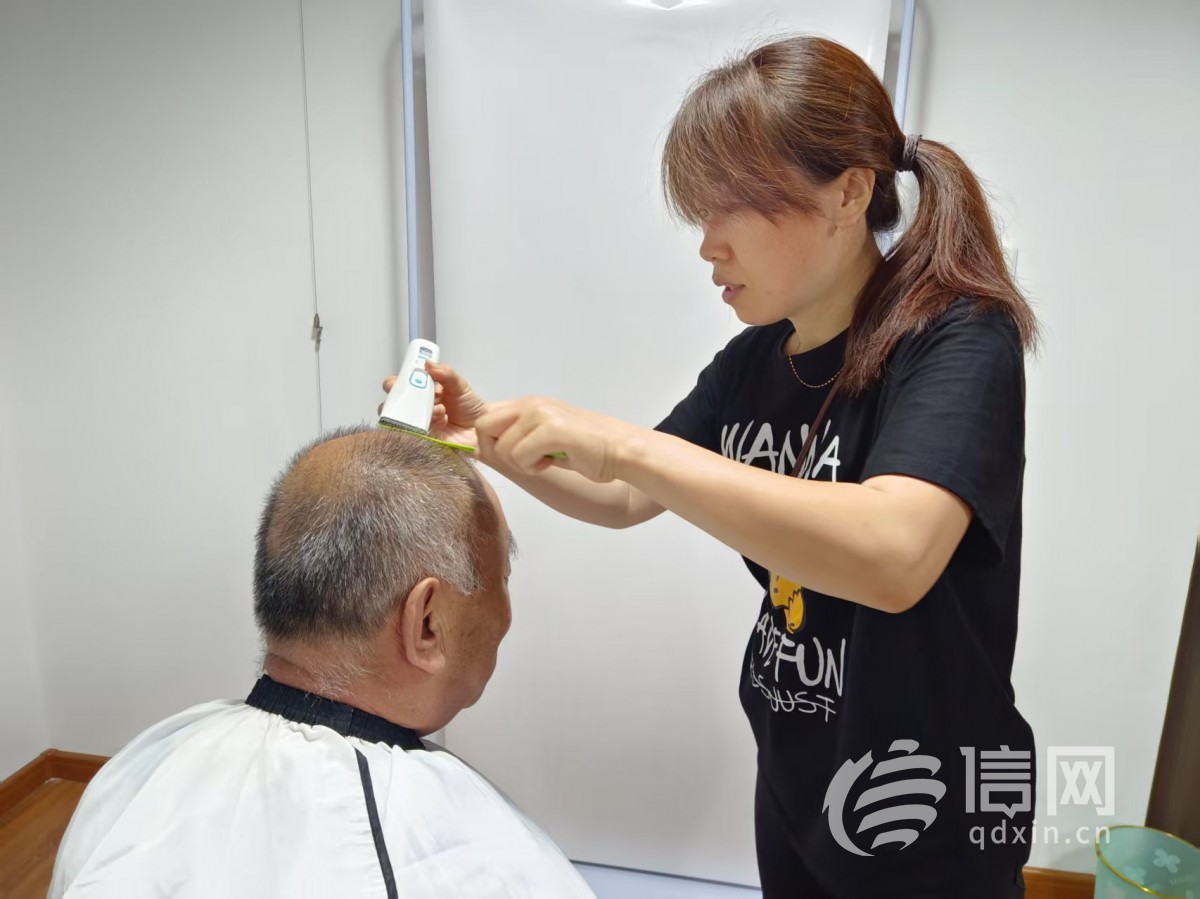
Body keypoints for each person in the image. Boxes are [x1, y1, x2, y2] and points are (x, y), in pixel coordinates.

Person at [395, 35, 1038, 899]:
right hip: (799, 775)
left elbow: (894, 554)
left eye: (731, 208)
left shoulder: (957, 338)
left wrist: (623, 442)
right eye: (701, 214)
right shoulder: (755, 362)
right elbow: (622, 493)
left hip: (924, 804)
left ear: (848, 193)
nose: (708, 246)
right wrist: (480, 435)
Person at [49, 426, 595, 899]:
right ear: (427, 623)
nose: (506, 613)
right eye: (502, 578)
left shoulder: (134, 775)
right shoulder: (475, 868)